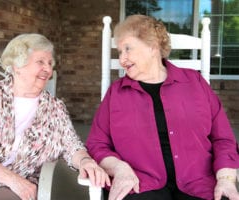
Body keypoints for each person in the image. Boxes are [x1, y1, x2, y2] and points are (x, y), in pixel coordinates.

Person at [0, 33, 110, 200]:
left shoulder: (55, 108)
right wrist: (11, 179)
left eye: (50, 63)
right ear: (17, 66)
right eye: (40, 62)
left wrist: (85, 161)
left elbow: (71, 145)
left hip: (19, 178)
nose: (48, 69)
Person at [86, 14, 239, 200]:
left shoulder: (194, 82)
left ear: (152, 46)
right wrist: (119, 168)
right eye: (119, 52)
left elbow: (223, 139)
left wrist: (226, 178)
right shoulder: (116, 93)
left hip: (199, 183)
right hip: (139, 184)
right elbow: (97, 143)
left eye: (127, 49)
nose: (122, 59)